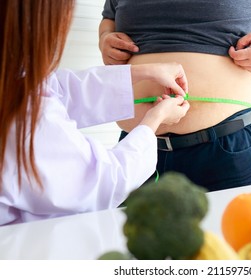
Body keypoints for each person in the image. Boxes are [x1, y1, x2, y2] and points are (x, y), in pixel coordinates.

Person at [0, 0, 190, 225]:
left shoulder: (12, 77)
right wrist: (153, 121)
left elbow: (57, 89)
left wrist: (140, 73)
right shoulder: (23, 115)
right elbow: (103, 182)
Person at [99, 0, 251, 191]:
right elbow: (109, 18)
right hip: (136, 148)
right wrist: (106, 38)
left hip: (223, 147)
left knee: (227, 237)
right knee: (129, 238)